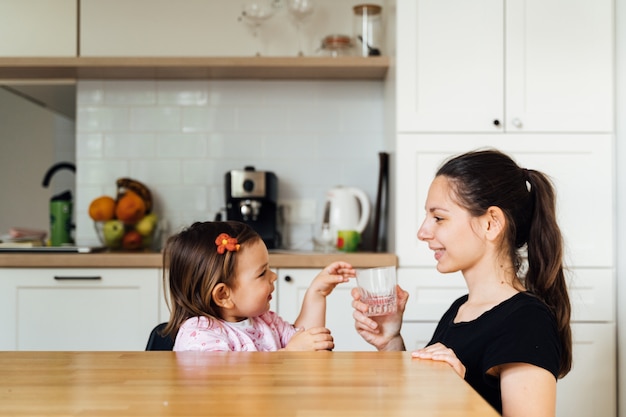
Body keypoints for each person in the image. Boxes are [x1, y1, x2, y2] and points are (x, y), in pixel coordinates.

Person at [352, 149, 572, 416]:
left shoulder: (527, 322)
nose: (423, 232)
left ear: (491, 223)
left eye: (439, 218)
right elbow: (420, 400)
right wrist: (391, 342)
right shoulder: (460, 310)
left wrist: (458, 396)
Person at [162, 220, 355, 352]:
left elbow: (306, 341)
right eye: (262, 273)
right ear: (223, 295)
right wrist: (289, 354)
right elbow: (222, 378)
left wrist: (317, 293)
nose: (273, 276)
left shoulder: (264, 321)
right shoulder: (199, 333)